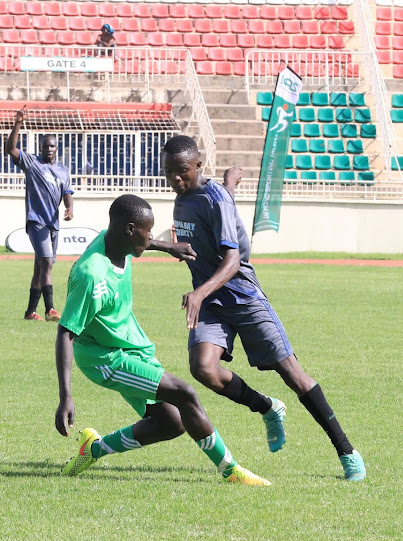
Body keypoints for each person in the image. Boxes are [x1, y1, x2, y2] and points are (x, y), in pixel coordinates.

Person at [161, 135, 365, 481]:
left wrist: (198, 293)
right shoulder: (186, 199)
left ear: (198, 165)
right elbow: (213, 228)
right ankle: (267, 407)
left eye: (182, 172)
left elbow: (233, 259)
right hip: (211, 302)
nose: (175, 179)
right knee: (204, 370)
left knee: (295, 377)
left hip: (243, 296)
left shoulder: (214, 199)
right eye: (169, 173)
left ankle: (347, 452)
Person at [54, 194, 270, 486]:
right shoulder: (91, 274)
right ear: (130, 230)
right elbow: (66, 332)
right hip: (104, 358)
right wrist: (66, 396)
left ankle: (93, 449)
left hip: (131, 346)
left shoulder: (118, 240)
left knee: (171, 423)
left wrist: (168, 246)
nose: (151, 236)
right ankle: (231, 471)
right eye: (148, 231)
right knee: (185, 393)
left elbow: (138, 242)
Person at [5, 105, 74, 322]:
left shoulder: (63, 170)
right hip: (37, 221)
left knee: (39, 266)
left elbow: (67, 192)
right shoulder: (33, 163)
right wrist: (18, 123)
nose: (49, 149)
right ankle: (50, 309)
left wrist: (69, 207)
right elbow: (11, 150)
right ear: (41, 147)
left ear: (56, 148)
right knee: (47, 263)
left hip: (53, 224)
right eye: (45, 146)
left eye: (52, 146)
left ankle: (30, 312)